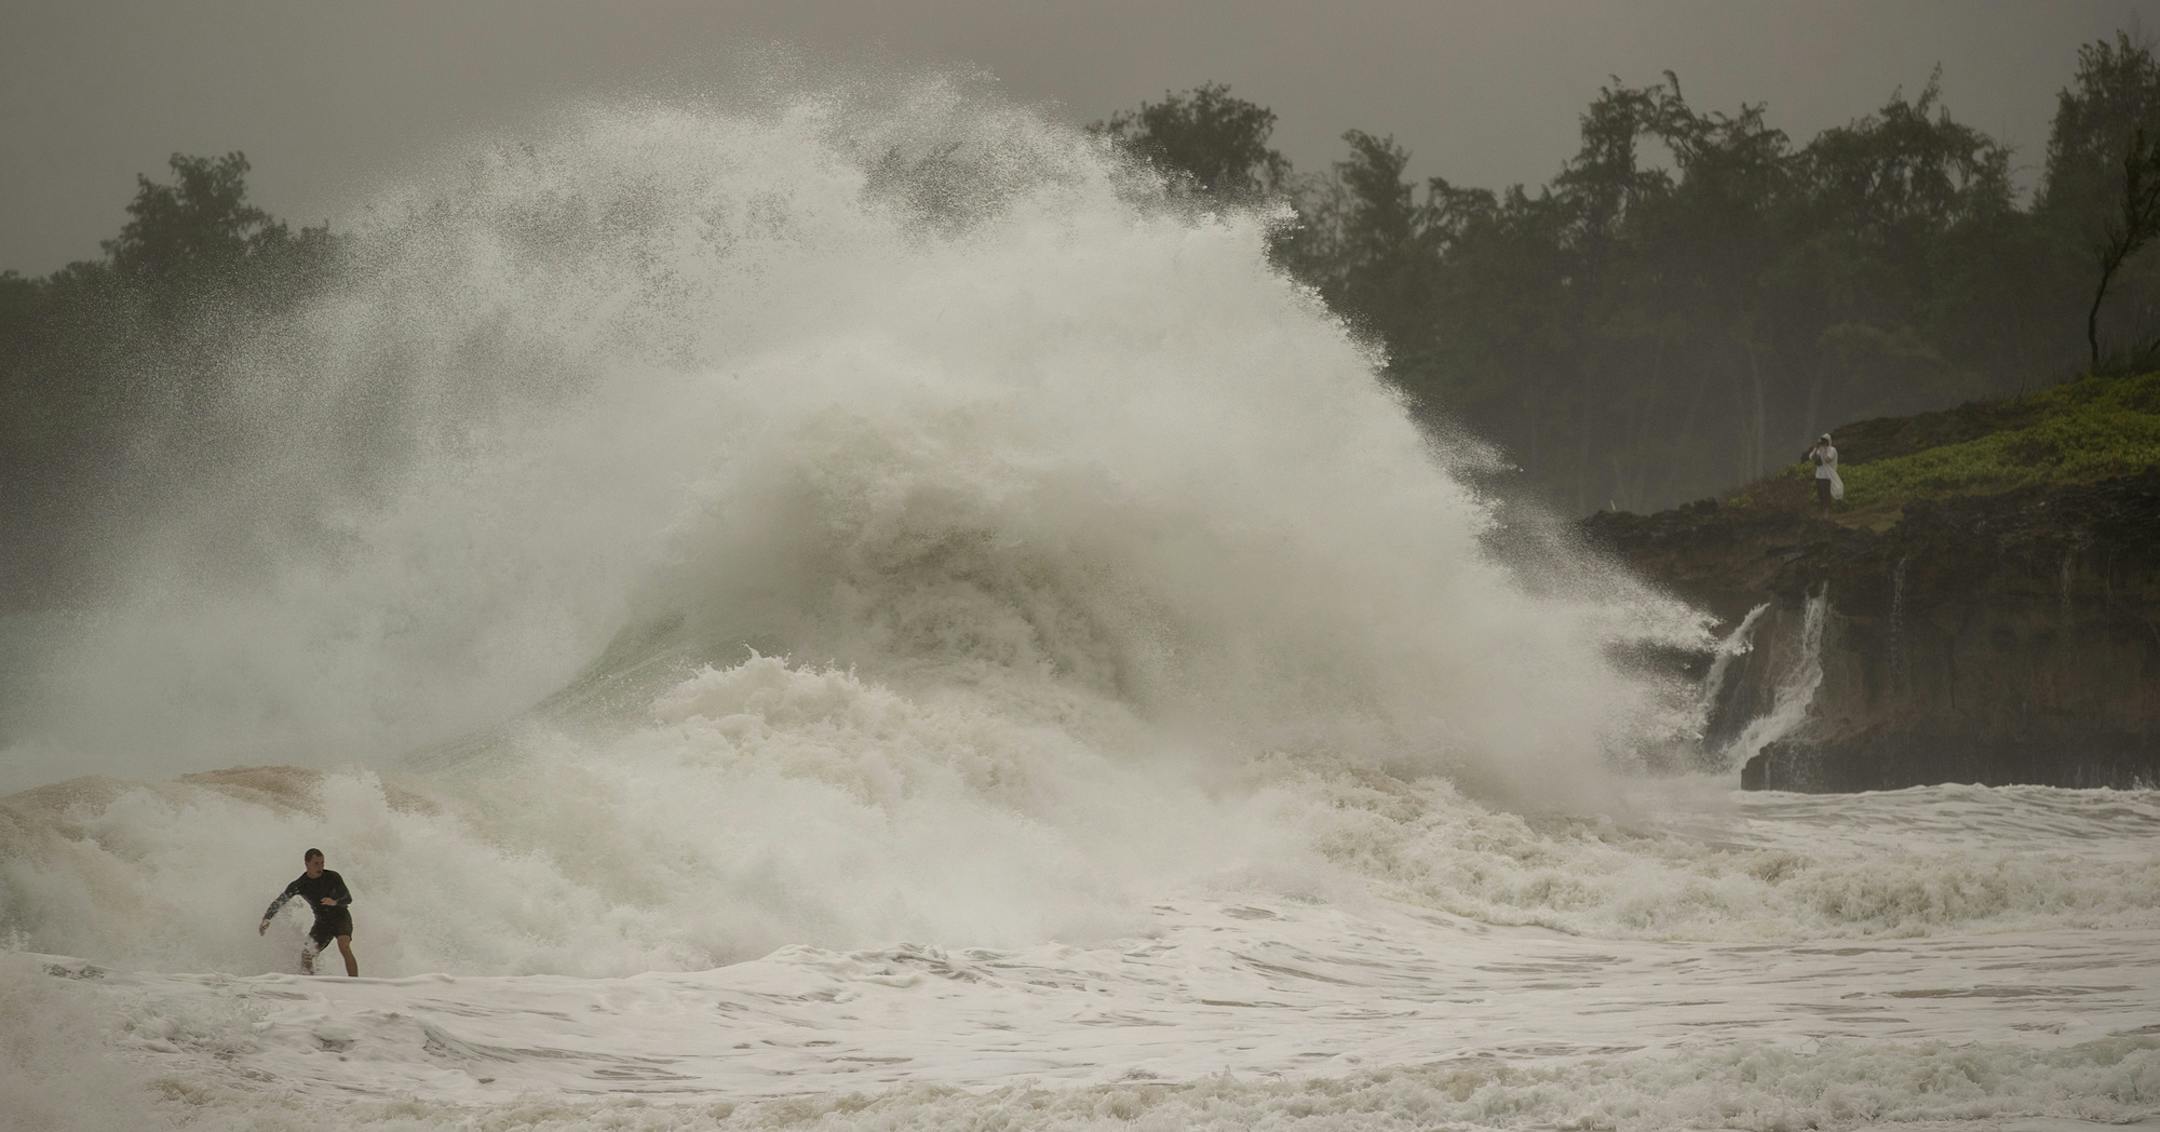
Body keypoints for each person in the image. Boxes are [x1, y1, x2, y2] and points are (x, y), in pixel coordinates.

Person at [259, 847, 358, 976]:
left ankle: (355, 982)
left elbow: (348, 898)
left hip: (341, 917)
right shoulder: (300, 884)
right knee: (306, 955)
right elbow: (280, 901)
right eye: (316, 863)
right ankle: (311, 984)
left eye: (322, 863)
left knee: (343, 945)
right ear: (306, 863)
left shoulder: (333, 876)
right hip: (322, 923)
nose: (320, 867)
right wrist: (267, 918)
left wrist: (334, 902)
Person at [1804, 433, 1842, 509]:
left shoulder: (1832, 449)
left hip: (1828, 475)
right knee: (1820, 493)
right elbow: (1812, 458)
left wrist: (1824, 450)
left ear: (1828, 441)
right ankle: (1823, 509)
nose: (1823, 442)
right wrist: (1816, 448)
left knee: (1826, 493)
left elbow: (1827, 459)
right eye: (1822, 441)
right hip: (1819, 475)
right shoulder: (1818, 449)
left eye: (1825, 441)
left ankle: (1828, 510)